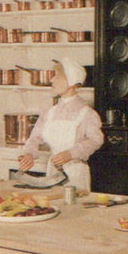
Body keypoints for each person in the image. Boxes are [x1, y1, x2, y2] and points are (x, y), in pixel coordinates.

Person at [17, 58, 103, 191]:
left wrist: (71, 154)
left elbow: (96, 140)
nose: (52, 80)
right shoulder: (49, 112)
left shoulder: (87, 113)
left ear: (71, 82)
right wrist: (29, 154)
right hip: (52, 171)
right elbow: (34, 139)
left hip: (76, 173)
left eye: (57, 76)